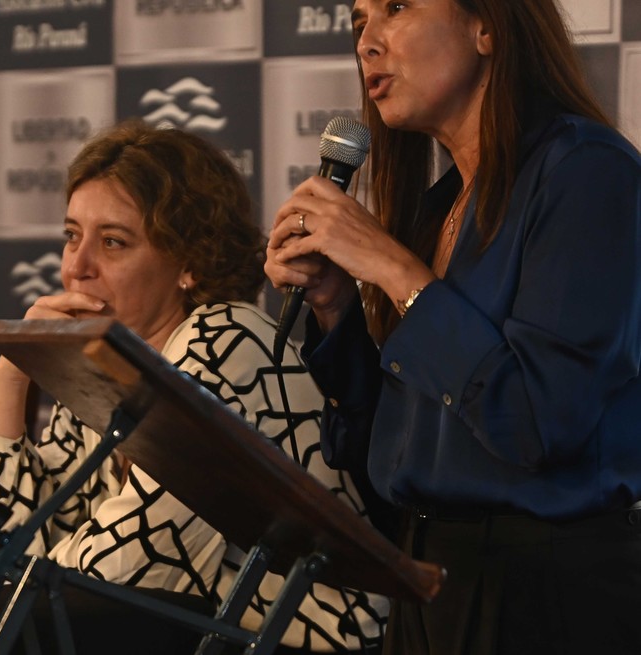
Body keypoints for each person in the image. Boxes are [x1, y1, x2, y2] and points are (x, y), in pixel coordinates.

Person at [263, 0, 641, 652]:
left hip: (547, 595)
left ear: (486, 25)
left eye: (396, 7)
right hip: (428, 583)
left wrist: (395, 270)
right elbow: (391, 453)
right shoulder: (437, 208)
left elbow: (537, 422)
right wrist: (337, 307)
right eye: (358, 22)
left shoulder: (586, 171)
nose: (367, 43)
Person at [0, 120, 388, 652]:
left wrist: (22, 565)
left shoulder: (225, 342)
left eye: (112, 242)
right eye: (71, 236)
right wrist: (12, 374)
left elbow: (129, 567)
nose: (77, 268)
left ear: (190, 263)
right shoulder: (104, 358)